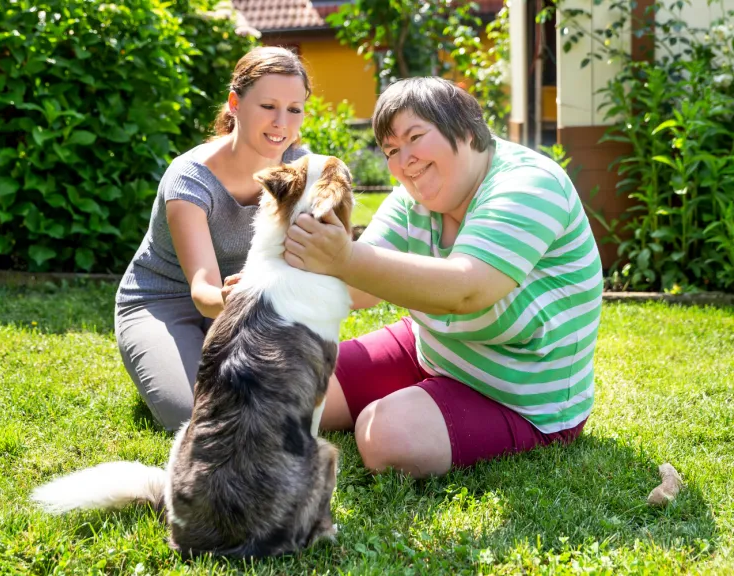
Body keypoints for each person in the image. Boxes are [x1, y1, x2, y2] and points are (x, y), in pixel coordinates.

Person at [284, 77, 603, 478]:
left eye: (415, 137)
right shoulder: (412, 198)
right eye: (392, 151)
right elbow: (360, 289)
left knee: (384, 436)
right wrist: (274, 286)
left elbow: (467, 290)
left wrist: (343, 256)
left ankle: (428, 410)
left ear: (466, 129)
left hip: (520, 394)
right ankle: (421, 397)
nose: (404, 162)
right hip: (433, 348)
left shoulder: (529, 185)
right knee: (284, 384)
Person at [115, 47, 311, 431]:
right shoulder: (189, 178)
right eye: (268, 105)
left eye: (294, 109)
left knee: (288, 402)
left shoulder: (301, 171)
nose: (281, 122)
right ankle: (158, 356)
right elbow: (203, 290)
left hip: (249, 306)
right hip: (167, 302)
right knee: (202, 417)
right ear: (235, 103)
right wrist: (229, 298)